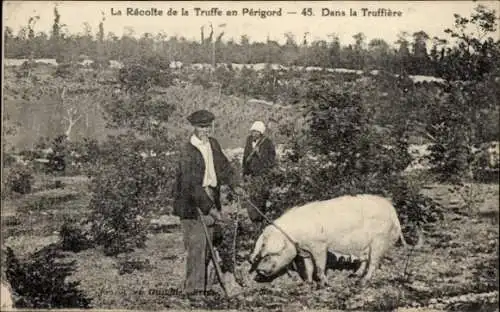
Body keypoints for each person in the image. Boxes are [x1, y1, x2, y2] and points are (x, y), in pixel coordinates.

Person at [173, 109, 243, 296]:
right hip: (192, 203)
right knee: (197, 246)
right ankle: (193, 291)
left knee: (210, 242)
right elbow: (191, 185)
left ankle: (205, 286)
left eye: (208, 126)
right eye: (201, 126)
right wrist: (210, 209)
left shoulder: (213, 144)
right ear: (194, 127)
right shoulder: (187, 151)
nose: (205, 130)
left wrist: (235, 184)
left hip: (212, 195)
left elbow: (224, 167)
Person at [242, 121, 276, 223]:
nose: (254, 134)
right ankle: (254, 219)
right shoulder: (249, 140)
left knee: (261, 197)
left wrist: (259, 154)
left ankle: (261, 220)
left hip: (262, 175)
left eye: (256, 132)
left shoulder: (268, 142)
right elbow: (245, 156)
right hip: (251, 175)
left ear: (261, 133)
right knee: (251, 197)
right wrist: (244, 172)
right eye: (253, 131)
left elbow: (271, 160)